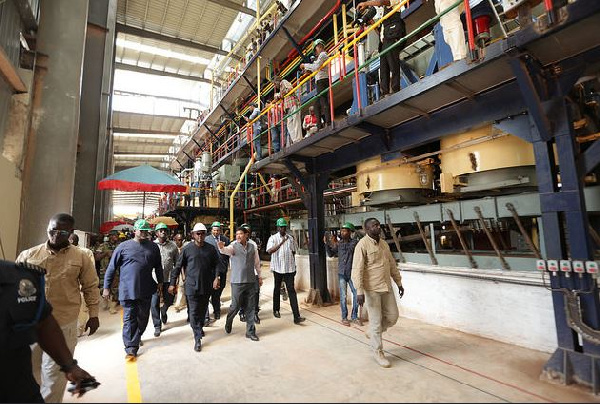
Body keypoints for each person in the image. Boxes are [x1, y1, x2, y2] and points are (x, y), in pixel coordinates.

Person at [16, 213, 99, 403]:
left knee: (55, 377)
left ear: (70, 233)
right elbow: (14, 289)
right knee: (28, 371)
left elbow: (90, 286)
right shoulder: (28, 255)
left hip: (63, 323)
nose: (55, 235)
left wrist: (93, 314)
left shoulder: (81, 256)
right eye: (53, 229)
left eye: (62, 231)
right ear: (48, 227)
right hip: (31, 325)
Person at [0, 260, 98, 402]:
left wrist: (69, 365)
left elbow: (43, 322)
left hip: (19, 389)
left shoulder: (17, 278)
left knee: (51, 376)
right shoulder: (29, 256)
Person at [103, 219, 163, 359]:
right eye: (141, 231)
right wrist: (106, 287)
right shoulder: (123, 247)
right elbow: (112, 268)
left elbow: (158, 266)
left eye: (146, 231)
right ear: (134, 231)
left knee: (143, 318)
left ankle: (137, 336)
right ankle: (131, 348)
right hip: (127, 290)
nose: (143, 233)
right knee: (129, 319)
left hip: (146, 289)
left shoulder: (153, 247)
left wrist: (160, 282)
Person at [351, 218, 405, 368]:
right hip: (372, 289)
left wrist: (399, 282)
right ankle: (378, 352)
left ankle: (374, 332)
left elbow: (392, 264)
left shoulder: (384, 244)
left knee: (393, 317)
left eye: (378, 225)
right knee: (375, 321)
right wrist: (359, 291)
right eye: (374, 225)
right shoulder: (362, 245)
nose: (378, 227)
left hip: (386, 287)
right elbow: (357, 270)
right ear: (367, 229)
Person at [168, 223, 220, 352]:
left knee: (202, 312)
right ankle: (197, 338)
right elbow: (178, 267)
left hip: (206, 286)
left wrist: (217, 277)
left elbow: (218, 264)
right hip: (191, 286)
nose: (200, 236)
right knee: (193, 312)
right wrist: (172, 283)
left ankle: (199, 327)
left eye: (203, 233)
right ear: (193, 234)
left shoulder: (211, 249)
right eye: (198, 233)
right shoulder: (187, 249)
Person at [218, 227, 262, 341]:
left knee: (251, 307)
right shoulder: (233, 246)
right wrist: (221, 247)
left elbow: (257, 263)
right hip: (237, 282)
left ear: (246, 235)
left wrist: (259, 276)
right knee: (236, 305)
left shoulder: (253, 247)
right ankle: (229, 320)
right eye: (237, 234)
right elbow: (225, 250)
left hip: (251, 281)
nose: (238, 236)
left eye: (240, 234)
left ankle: (250, 331)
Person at [356, 0, 406, 97]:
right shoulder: (384, 13)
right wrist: (371, 22)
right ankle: (385, 92)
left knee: (393, 63)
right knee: (383, 68)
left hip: (392, 36)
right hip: (385, 40)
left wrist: (366, 4)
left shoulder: (393, 1)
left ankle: (396, 89)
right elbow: (380, 33)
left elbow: (380, 2)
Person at [266, 217, 305, 324]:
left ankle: (296, 316)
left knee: (291, 291)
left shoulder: (291, 238)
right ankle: (276, 309)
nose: (283, 229)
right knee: (277, 289)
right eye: (281, 227)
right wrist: (281, 243)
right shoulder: (273, 238)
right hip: (278, 268)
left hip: (289, 269)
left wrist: (293, 265)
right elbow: (269, 251)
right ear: (278, 228)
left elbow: (293, 251)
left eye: (284, 227)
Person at [325, 222, 361, 326]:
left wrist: (356, 234)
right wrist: (327, 244)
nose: (342, 232)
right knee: (343, 296)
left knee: (356, 295)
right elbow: (331, 254)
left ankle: (354, 316)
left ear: (350, 232)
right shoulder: (339, 244)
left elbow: (350, 249)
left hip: (352, 273)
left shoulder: (354, 243)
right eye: (342, 230)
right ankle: (344, 317)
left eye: (345, 230)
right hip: (342, 273)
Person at [151, 223, 179, 337]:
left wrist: (176, 277)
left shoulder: (173, 246)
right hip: (154, 279)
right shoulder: (151, 245)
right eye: (160, 230)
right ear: (156, 233)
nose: (163, 232)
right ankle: (157, 325)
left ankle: (164, 310)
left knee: (170, 299)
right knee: (154, 303)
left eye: (165, 230)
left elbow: (177, 263)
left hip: (168, 277)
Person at [68, 234, 97, 338]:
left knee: (82, 309)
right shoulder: (65, 251)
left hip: (81, 287)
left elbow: (90, 270)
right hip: (69, 288)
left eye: (71, 240)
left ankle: (79, 329)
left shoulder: (85, 252)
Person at [300, 38, 331, 129]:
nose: (315, 52)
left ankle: (328, 122)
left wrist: (305, 65)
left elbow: (316, 67)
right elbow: (316, 68)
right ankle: (319, 125)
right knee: (317, 104)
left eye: (315, 49)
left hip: (322, 80)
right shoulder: (320, 58)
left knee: (323, 101)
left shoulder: (323, 55)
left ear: (319, 46)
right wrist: (309, 71)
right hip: (320, 80)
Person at [204, 221, 230, 322]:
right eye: (214, 230)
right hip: (211, 270)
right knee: (209, 291)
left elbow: (228, 252)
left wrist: (226, 263)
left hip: (222, 268)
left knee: (220, 288)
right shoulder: (207, 240)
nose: (216, 232)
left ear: (220, 231)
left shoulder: (225, 239)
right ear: (211, 230)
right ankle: (214, 312)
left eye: (218, 230)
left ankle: (216, 307)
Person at [238, 223, 262, 324]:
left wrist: (259, 275)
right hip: (242, 274)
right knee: (242, 294)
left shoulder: (253, 244)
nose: (246, 234)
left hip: (253, 273)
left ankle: (255, 313)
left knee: (256, 293)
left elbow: (257, 261)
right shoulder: (235, 244)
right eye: (244, 232)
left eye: (248, 232)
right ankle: (242, 311)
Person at [94, 230, 120, 314]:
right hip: (104, 271)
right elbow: (97, 258)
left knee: (115, 289)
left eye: (117, 235)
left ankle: (112, 307)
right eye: (115, 235)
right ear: (110, 236)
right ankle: (105, 300)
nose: (116, 236)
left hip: (116, 271)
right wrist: (106, 253)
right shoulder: (103, 246)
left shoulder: (119, 246)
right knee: (103, 288)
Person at [273, 75, 302, 144]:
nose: (274, 86)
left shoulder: (284, 82)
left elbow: (290, 88)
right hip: (288, 106)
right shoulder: (281, 87)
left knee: (296, 121)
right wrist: (279, 95)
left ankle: (298, 138)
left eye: (274, 83)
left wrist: (281, 95)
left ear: (277, 81)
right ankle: (295, 139)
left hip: (293, 103)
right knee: (290, 124)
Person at [172, 233, 188, 313]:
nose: (179, 241)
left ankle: (178, 305)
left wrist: (183, 274)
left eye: (181, 240)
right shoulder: (173, 249)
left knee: (181, 288)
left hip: (183, 271)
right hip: (173, 271)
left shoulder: (185, 249)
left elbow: (182, 264)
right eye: (178, 240)